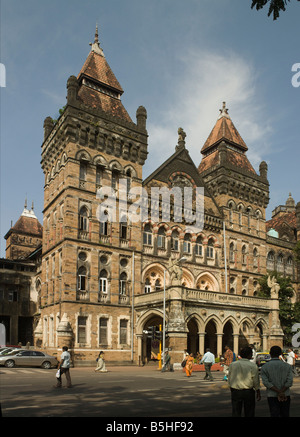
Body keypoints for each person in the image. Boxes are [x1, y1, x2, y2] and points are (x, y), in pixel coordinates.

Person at [228, 346, 261, 417]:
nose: (252, 355)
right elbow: (255, 380)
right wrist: (258, 391)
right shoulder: (253, 365)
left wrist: (231, 388)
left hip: (236, 391)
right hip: (248, 392)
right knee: (249, 412)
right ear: (249, 355)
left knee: (236, 412)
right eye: (251, 354)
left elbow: (230, 378)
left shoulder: (233, 365)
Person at [261, 345, 293, 417]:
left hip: (272, 395)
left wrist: (278, 391)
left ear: (270, 353)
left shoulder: (265, 367)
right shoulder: (287, 366)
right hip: (285, 395)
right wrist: (281, 392)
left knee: (274, 414)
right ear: (280, 353)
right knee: (285, 414)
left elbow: (266, 382)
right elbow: (289, 381)